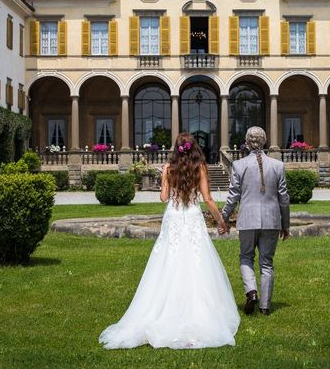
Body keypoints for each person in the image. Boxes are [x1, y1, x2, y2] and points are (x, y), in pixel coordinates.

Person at [99, 133, 239, 349]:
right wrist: (222, 221)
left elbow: (164, 198)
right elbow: (208, 199)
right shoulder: (200, 167)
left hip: (173, 216)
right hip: (192, 215)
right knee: (195, 260)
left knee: (168, 260)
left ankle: (162, 310)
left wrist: (165, 178)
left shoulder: (167, 168)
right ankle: (197, 313)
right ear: (194, 149)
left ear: (176, 149)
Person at [221, 126, 290, 316]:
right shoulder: (278, 165)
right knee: (267, 263)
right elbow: (284, 198)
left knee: (246, 257)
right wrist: (286, 225)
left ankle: (251, 292)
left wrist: (223, 218)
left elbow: (233, 196)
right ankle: (265, 306)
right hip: (271, 220)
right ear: (265, 141)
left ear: (246, 141)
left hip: (247, 219)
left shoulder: (239, 165)